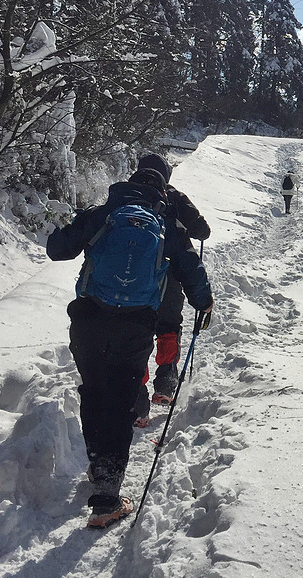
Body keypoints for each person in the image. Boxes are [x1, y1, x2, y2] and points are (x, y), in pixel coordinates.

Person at [47, 167, 213, 529]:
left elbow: (56, 250)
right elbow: (191, 268)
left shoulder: (102, 214)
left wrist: (73, 226)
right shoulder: (165, 224)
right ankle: (107, 497)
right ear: (161, 190)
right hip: (135, 324)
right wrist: (205, 304)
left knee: (94, 393)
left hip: (89, 317)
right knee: (121, 400)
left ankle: (99, 463)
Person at [134, 153, 210, 410]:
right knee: (168, 325)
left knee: (136, 332)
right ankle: (166, 383)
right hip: (169, 279)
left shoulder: (126, 197)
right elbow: (202, 230)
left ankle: (137, 396)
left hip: (131, 279)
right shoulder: (174, 197)